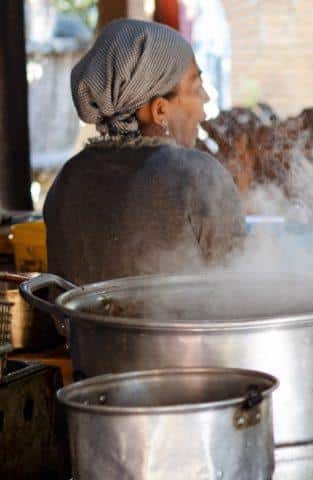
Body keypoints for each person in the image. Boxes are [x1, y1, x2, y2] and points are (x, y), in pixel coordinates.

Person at [44, 19, 245, 284]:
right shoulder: (199, 177)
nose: (205, 98)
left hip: (79, 328)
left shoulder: (68, 177)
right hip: (180, 326)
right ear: (160, 109)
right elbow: (239, 288)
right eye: (196, 87)